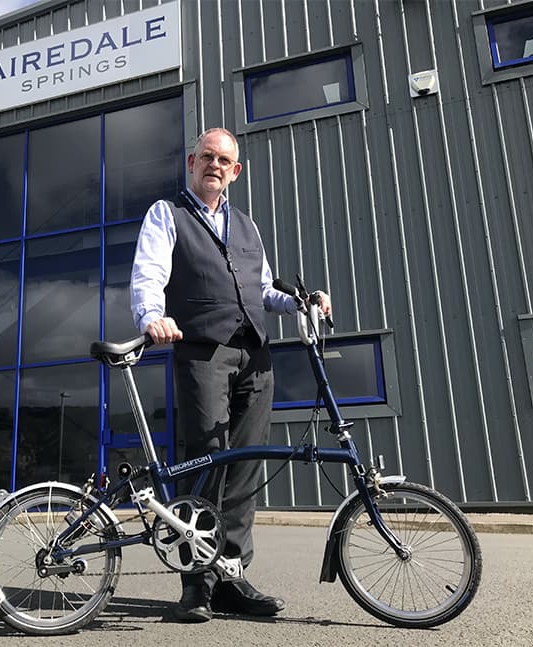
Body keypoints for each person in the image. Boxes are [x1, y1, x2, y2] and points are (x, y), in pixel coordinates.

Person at [130, 127, 331, 622]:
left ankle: (232, 580)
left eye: (225, 160)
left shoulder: (246, 224)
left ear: (235, 172)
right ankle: (196, 584)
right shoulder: (167, 213)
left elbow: (261, 289)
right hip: (202, 352)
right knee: (206, 463)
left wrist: (302, 301)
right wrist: (150, 316)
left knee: (243, 471)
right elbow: (149, 272)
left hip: (253, 356)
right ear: (192, 163)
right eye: (207, 157)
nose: (215, 165)